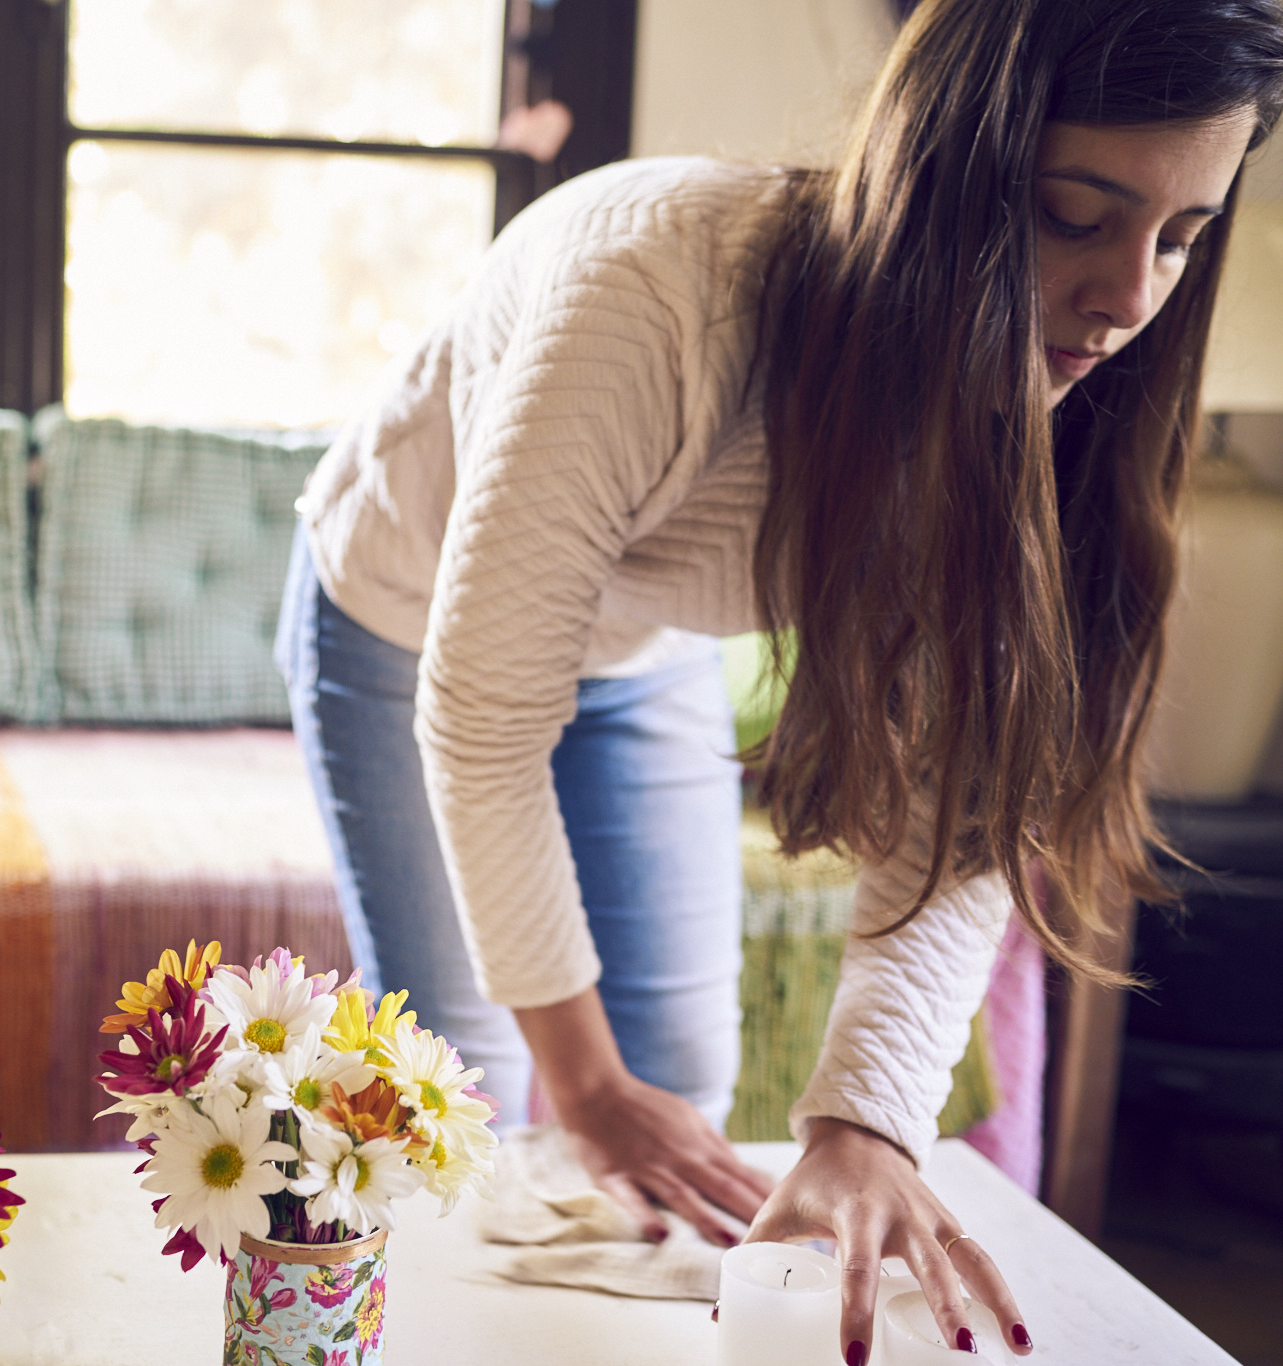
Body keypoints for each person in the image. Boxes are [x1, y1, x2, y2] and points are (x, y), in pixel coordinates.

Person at [274, 1, 1283, 1360]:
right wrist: (580, 1078)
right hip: (399, 616)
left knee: (679, 1104)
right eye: (1074, 213)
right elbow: (489, 712)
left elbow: (965, 804)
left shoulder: (1054, 403)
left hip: (638, 644)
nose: (1130, 298)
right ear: (945, 179)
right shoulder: (648, 289)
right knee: (481, 1098)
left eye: (1180, 235)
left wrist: (865, 1123)